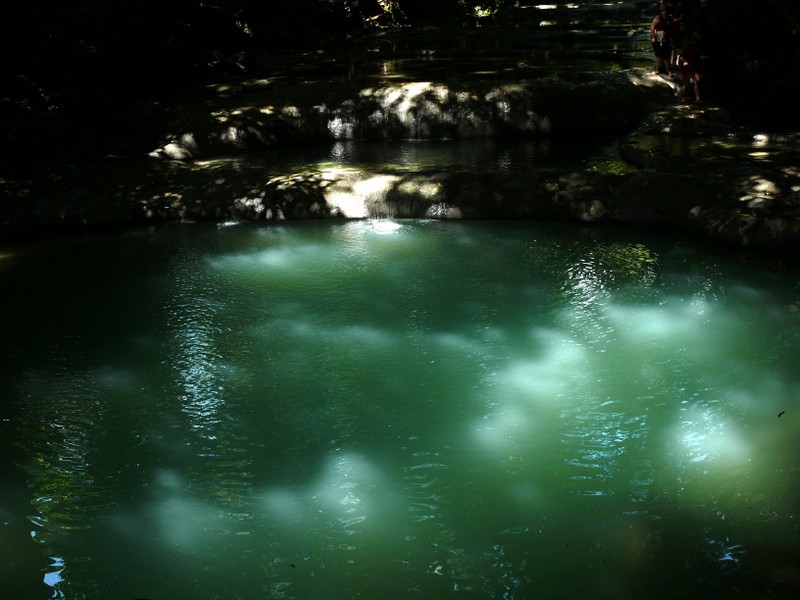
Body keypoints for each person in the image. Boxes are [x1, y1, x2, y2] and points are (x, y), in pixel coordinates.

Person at [650, 3, 673, 75]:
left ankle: (668, 70)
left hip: (665, 37)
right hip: (657, 37)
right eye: (664, 11)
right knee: (658, 54)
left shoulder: (669, 18)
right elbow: (652, 26)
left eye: (667, 11)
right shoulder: (658, 17)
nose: (665, 12)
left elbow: (669, 29)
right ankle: (657, 69)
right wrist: (653, 37)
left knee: (666, 54)